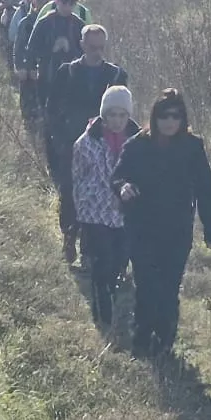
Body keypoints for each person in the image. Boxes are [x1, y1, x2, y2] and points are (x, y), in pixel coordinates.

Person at [113, 90, 211, 359]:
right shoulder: (138, 144)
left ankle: (164, 340)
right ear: (155, 116)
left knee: (169, 287)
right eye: (164, 116)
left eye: (175, 116)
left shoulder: (192, 147)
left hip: (177, 230)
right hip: (142, 228)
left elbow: (206, 188)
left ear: (182, 118)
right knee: (146, 285)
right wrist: (123, 187)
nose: (170, 122)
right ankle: (141, 338)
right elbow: (117, 176)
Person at [47, 26, 129, 264]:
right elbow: (52, 110)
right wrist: (61, 141)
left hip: (108, 145)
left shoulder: (116, 76)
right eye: (92, 47)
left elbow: (124, 111)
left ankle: (93, 248)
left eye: (101, 47)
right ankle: (70, 235)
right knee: (72, 192)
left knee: (102, 193)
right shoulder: (67, 72)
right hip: (73, 144)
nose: (97, 52)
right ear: (82, 45)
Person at [71, 86, 138, 334]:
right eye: (112, 115)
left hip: (124, 213)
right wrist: (82, 209)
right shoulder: (86, 142)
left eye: (122, 115)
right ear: (103, 114)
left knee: (120, 259)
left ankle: (112, 290)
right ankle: (103, 314)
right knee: (102, 261)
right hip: (95, 213)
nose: (117, 121)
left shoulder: (138, 141)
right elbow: (77, 177)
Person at [25, 0, 87, 116]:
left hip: (72, 76)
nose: (67, 7)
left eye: (71, 4)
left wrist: (70, 49)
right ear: (57, 1)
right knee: (47, 111)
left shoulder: (79, 25)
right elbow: (31, 48)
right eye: (64, 3)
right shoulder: (45, 22)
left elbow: (86, 52)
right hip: (47, 74)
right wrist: (51, 49)